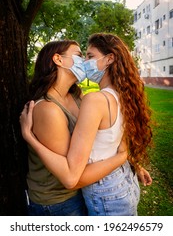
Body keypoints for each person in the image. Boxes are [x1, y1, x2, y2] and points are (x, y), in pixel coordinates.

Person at [20, 33, 152, 216]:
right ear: (58, 59)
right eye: (80, 55)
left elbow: (102, 138)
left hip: (81, 192)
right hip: (57, 203)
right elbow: (71, 176)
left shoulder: (77, 96)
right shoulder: (48, 109)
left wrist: (132, 163)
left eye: (88, 56)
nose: (84, 62)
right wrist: (28, 137)